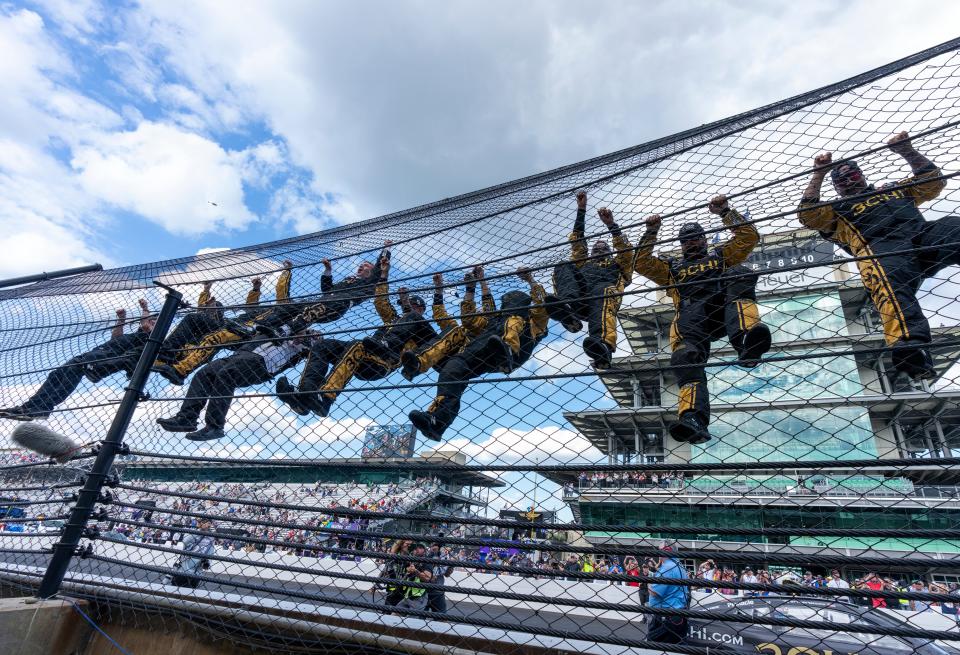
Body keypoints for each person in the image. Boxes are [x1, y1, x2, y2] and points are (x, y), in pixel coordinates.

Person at [798, 131, 955, 382]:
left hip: (922, 237)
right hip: (881, 251)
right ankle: (910, 348)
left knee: (953, 227)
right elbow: (808, 215)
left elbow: (932, 182)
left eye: (853, 176)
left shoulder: (894, 189)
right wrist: (819, 173)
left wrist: (906, 150)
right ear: (836, 187)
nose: (849, 182)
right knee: (887, 280)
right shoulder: (835, 210)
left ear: (862, 175)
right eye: (842, 181)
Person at [634, 195, 768, 445]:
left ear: (705, 239)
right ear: (681, 245)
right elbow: (640, 263)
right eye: (685, 240)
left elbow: (749, 238)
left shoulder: (721, 255)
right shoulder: (671, 268)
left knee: (739, 272)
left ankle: (747, 341)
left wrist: (725, 212)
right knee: (684, 358)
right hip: (690, 320)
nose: (691, 243)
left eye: (696, 237)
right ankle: (692, 418)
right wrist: (651, 232)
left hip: (722, 310)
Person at [275, 252, 436, 418]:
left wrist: (433, 294)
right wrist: (384, 274)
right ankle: (305, 395)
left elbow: (425, 339)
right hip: (367, 349)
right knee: (323, 346)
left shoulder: (422, 329)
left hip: (382, 362)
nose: (410, 307)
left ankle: (325, 399)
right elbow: (380, 300)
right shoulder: (393, 318)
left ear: (422, 309)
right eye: (409, 304)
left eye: (415, 306)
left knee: (357, 345)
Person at [407, 268, 549, 441]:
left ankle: (507, 350)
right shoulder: (492, 321)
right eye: (505, 304)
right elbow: (469, 318)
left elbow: (542, 304)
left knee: (511, 319)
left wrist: (530, 280)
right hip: (478, 350)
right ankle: (436, 420)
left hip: (516, 350)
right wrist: (472, 288)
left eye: (512, 303)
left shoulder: (535, 322)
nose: (507, 305)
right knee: (453, 368)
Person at [1, 299, 156, 421]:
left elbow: (146, 323)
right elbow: (116, 337)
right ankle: (30, 406)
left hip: (104, 359)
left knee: (73, 372)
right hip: (96, 353)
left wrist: (145, 308)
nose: (150, 322)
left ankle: (42, 408)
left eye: (153, 321)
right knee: (56, 374)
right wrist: (121, 319)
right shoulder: (134, 335)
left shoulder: (150, 337)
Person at [156, 329, 320, 441]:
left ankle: (215, 426)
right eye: (305, 333)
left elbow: (310, 347)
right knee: (204, 373)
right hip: (243, 354)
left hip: (261, 364)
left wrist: (304, 340)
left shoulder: (299, 351)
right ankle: (186, 418)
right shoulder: (284, 330)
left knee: (227, 375)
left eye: (308, 336)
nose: (303, 336)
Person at [151, 264, 293, 385]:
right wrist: (256, 288)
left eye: (214, 308)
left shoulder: (282, 310)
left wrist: (286, 271)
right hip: (233, 326)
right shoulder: (246, 314)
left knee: (214, 336)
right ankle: (162, 359)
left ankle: (179, 369)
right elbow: (204, 311)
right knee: (197, 332)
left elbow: (281, 291)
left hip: (246, 333)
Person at [545, 191, 635, 368]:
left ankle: (602, 346)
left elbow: (625, 251)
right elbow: (578, 243)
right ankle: (568, 310)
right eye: (596, 249)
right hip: (580, 299)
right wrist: (581, 210)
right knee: (563, 265)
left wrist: (611, 225)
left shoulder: (619, 265)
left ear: (610, 252)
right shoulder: (584, 263)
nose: (599, 250)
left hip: (602, 301)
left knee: (604, 288)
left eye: (604, 248)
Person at [255, 243, 391, 338]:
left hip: (337, 305)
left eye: (366, 265)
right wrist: (328, 270)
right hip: (322, 300)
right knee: (290, 306)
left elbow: (380, 266)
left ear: (373, 270)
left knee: (320, 307)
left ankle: (284, 332)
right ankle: (258, 327)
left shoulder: (371, 283)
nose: (361, 265)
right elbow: (327, 290)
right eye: (360, 264)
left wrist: (386, 248)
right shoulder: (349, 279)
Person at [399, 266, 495, 382]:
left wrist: (479, 283)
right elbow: (440, 315)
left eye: (480, 310)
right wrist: (438, 289)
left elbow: (478, 311)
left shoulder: (488, 323)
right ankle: (412, 362)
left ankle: (418, 362)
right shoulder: (457, 329)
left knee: (455, 330)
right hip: (444, 358)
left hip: (468, 358)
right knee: (419, 322)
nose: (478, 309)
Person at [647, 540, 689, 644]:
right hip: (678, 615)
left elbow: (654, 592)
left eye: (659, 550)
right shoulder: (679, 565)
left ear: (666, 551)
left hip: (666, 617)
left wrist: (648, 583)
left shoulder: (667, 567)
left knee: (653, 646)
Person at [168, 518, 216, 589]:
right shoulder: (191, 534)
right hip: (185, 567)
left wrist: (207, 563)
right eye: (205, 522)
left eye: (209, 523)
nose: (207, 524)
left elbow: (210, 552)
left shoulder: (211, 538)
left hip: (197, 570)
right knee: (176, 588)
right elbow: (182, 546)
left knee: (189, 591)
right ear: (199, 523)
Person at [395, 542, 433, 612]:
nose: (417, 549)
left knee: (411, 620)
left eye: (420, 548)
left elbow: (427, 578)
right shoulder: (411, 561)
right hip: (408, 595)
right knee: (395, 615)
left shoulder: (427, 562)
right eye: (416, 548)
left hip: (419, 597)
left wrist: (415, 571)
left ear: (425, 550)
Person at [427, 541, 454, 613]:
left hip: (438, 591)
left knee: (441, 617)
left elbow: (447, 575)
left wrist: (451, 565)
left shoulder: (444, 558)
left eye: (436, 546)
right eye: (433, 545)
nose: (434, 548)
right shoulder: (426, 556)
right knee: (419, 618)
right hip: (424, 591)